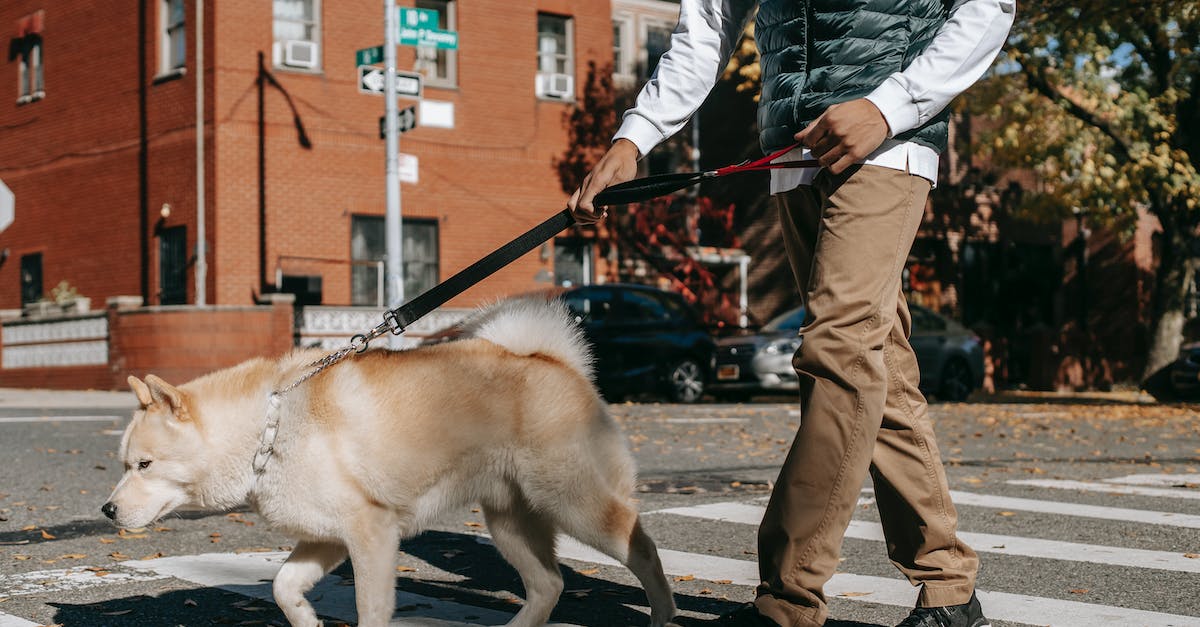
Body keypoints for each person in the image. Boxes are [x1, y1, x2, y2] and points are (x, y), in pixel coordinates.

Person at [567, 0, 1015, 625]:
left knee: (838, 353)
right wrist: (634, 138)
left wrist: (890, 107)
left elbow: (989, 6)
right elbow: (711, 24)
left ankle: (787, 599)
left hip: (887, 145)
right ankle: (948, 588)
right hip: (796, 151)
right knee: (877, 363)